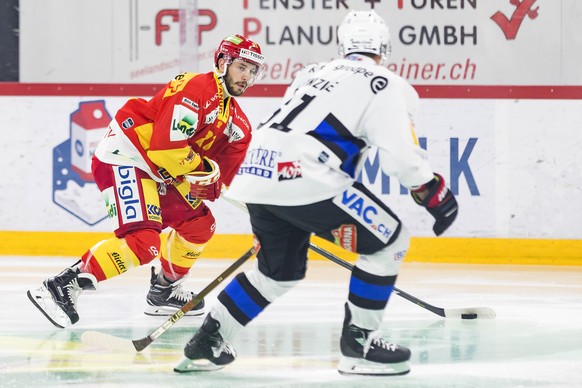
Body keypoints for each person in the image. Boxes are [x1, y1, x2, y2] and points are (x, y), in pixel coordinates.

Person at [174, 10, 459, 376]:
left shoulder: (312, 73)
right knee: (390, 241)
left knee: (277, 274)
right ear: (384, 48)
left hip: (257, 173)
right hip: (307, 177)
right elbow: (401, 159)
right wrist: (433, 192)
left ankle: (207, 342)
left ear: (343, 45)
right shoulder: (387, 83)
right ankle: (360, 347)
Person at [27, 34, 266, 328]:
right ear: (222, 62)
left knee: (200, 225)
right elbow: (166, 149)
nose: (247, 76)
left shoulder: (239, 126)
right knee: (144, 243)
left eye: (253, 71)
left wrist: (269, 218)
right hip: (127, 156)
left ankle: (164, 290)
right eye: (242, 66)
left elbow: (223, 182)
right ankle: (62, 285)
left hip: (160, 172)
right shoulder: (198, 87)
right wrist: (204, 168)